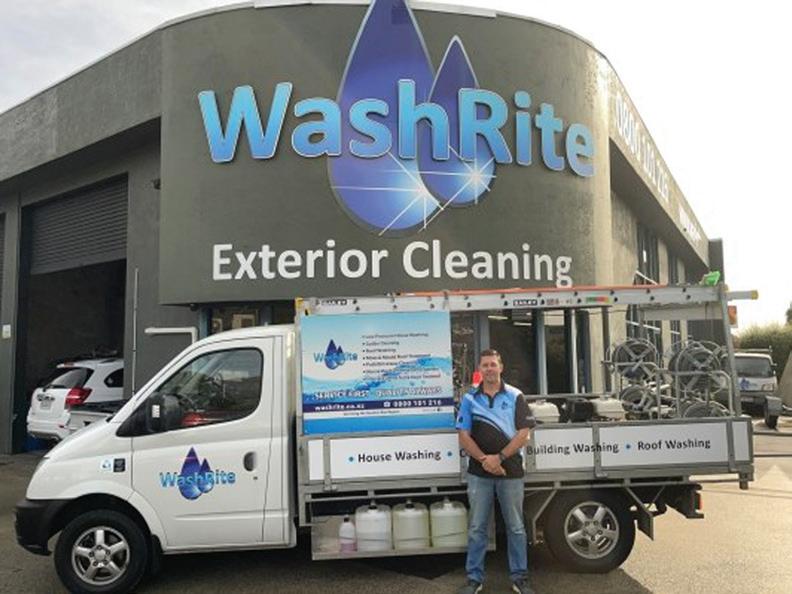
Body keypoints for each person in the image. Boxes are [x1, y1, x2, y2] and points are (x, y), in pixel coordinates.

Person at [456, 349, 535, 594]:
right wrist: (485, 460)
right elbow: (463, 436)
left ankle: (520, 578)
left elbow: (524, 434)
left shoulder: (515, 396)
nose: (489, 368)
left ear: (501, 367)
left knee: (516, 528)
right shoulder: (470, 399)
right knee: (477, 528)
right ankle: (474, 579)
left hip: (510, 472)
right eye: (485, 365)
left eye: (493, 364)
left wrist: (498, 458)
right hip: (479, 473)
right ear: (480, 370)